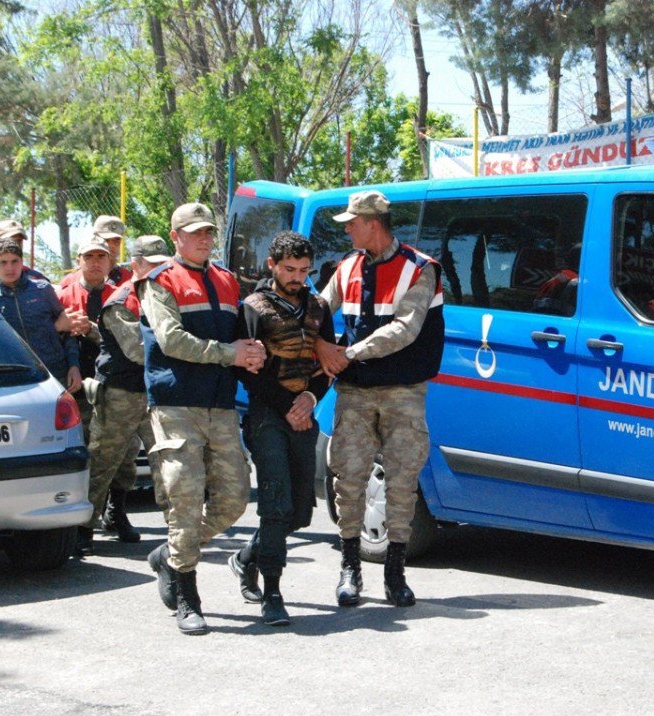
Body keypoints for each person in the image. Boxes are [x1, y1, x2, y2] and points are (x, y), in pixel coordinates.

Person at [141, 202, 266, 635]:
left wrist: (250, 352)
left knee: (234, 500)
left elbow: (237, 338)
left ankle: (171, 556)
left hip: (221, 404)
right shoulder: (158, 282)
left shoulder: (228, 281)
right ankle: (187, 596)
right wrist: (229, 354)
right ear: (175, 237)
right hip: (176, 405)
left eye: (209, 232)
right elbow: (171, 340)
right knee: (185, 499)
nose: (204, 239)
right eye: (194, 233)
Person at [316, 190, 444, 608]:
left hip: (402, 393)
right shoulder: (346, 267)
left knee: (402, 482)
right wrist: (317, 344)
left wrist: (346, 353)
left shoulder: (420, 269)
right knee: (348, 479)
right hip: (353, 392)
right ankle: (350, 569)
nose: (347, 229)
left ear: (373, 222)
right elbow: (318, 310)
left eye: (351, 222)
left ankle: (395, 574)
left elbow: (405, 330)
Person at [230, 230, 335, 626]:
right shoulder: (253, 308)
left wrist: (310, 398)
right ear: (272, 265)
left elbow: (328, 362)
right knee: (276, 503)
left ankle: (245, 558)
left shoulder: (320, 307)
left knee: (301, 512)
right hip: (267, 415)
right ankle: (272, 592)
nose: (297, 277)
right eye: (289, 269)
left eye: (304, 270)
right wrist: (288, 404)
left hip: (304, 412)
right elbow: (247, 370)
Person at [78, 236, 171, 554]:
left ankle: (167, 526)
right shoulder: (120, 302)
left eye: (163, 264)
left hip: (152, 391)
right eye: (153, 265)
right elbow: (137, 350)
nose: (160, 270)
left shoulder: (162, 295)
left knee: (163, 460)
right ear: (136, 265)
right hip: (119, 391)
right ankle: (82, 528)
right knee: (104, 460)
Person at [0, 235, 81, 393]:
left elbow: (68, 330)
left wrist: (74, 366)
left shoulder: (43, 290)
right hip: (16, 380)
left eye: (15, 261)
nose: (10, 268)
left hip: (55, 374)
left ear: (22, 262)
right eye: (3, 262)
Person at [61, 215, 134, 289]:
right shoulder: (71, 281)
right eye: (106, 240)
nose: (112, 245)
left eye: (116, 240)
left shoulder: (129, 280)